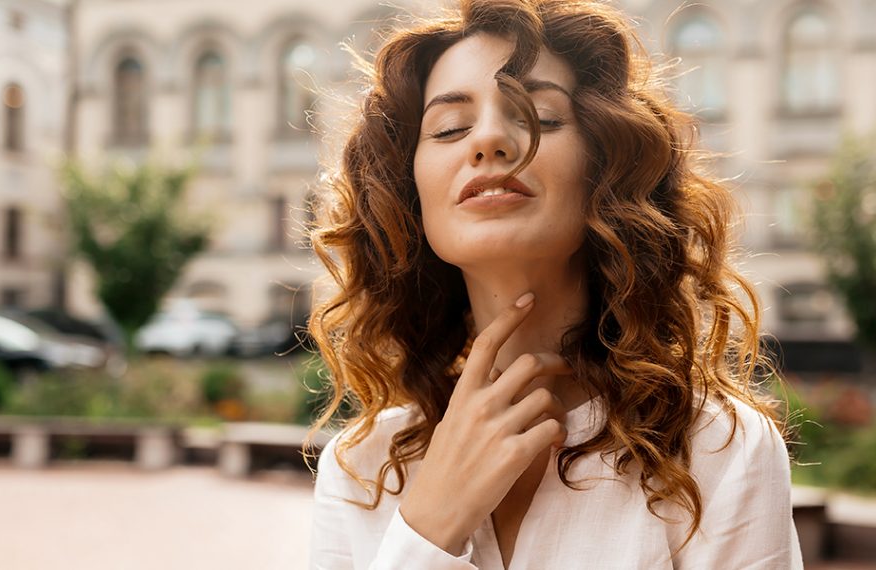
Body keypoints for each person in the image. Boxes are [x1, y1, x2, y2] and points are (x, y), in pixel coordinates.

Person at [306, 1, 802, 568]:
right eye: (449, 127)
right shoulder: (359, 468)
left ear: (606, 170)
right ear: (409, 194)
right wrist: (429, 528)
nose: (490, 139)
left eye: (540, 118)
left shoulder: (719, 450)